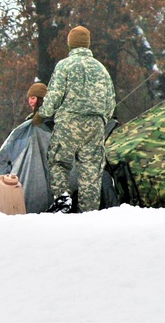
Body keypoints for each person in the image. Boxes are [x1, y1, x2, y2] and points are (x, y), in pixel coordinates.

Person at [34, 25, 116, 213]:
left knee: (59, 161)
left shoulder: (64, 65)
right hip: (95, 125)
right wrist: (101, 119)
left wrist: (42, 114)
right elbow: (111, 102)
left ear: (70, 44)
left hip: (68, 124)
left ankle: (63, 199)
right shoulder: (101, 69)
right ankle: (88, 213)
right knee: (91, 172)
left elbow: (54, 96)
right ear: (87, 44)